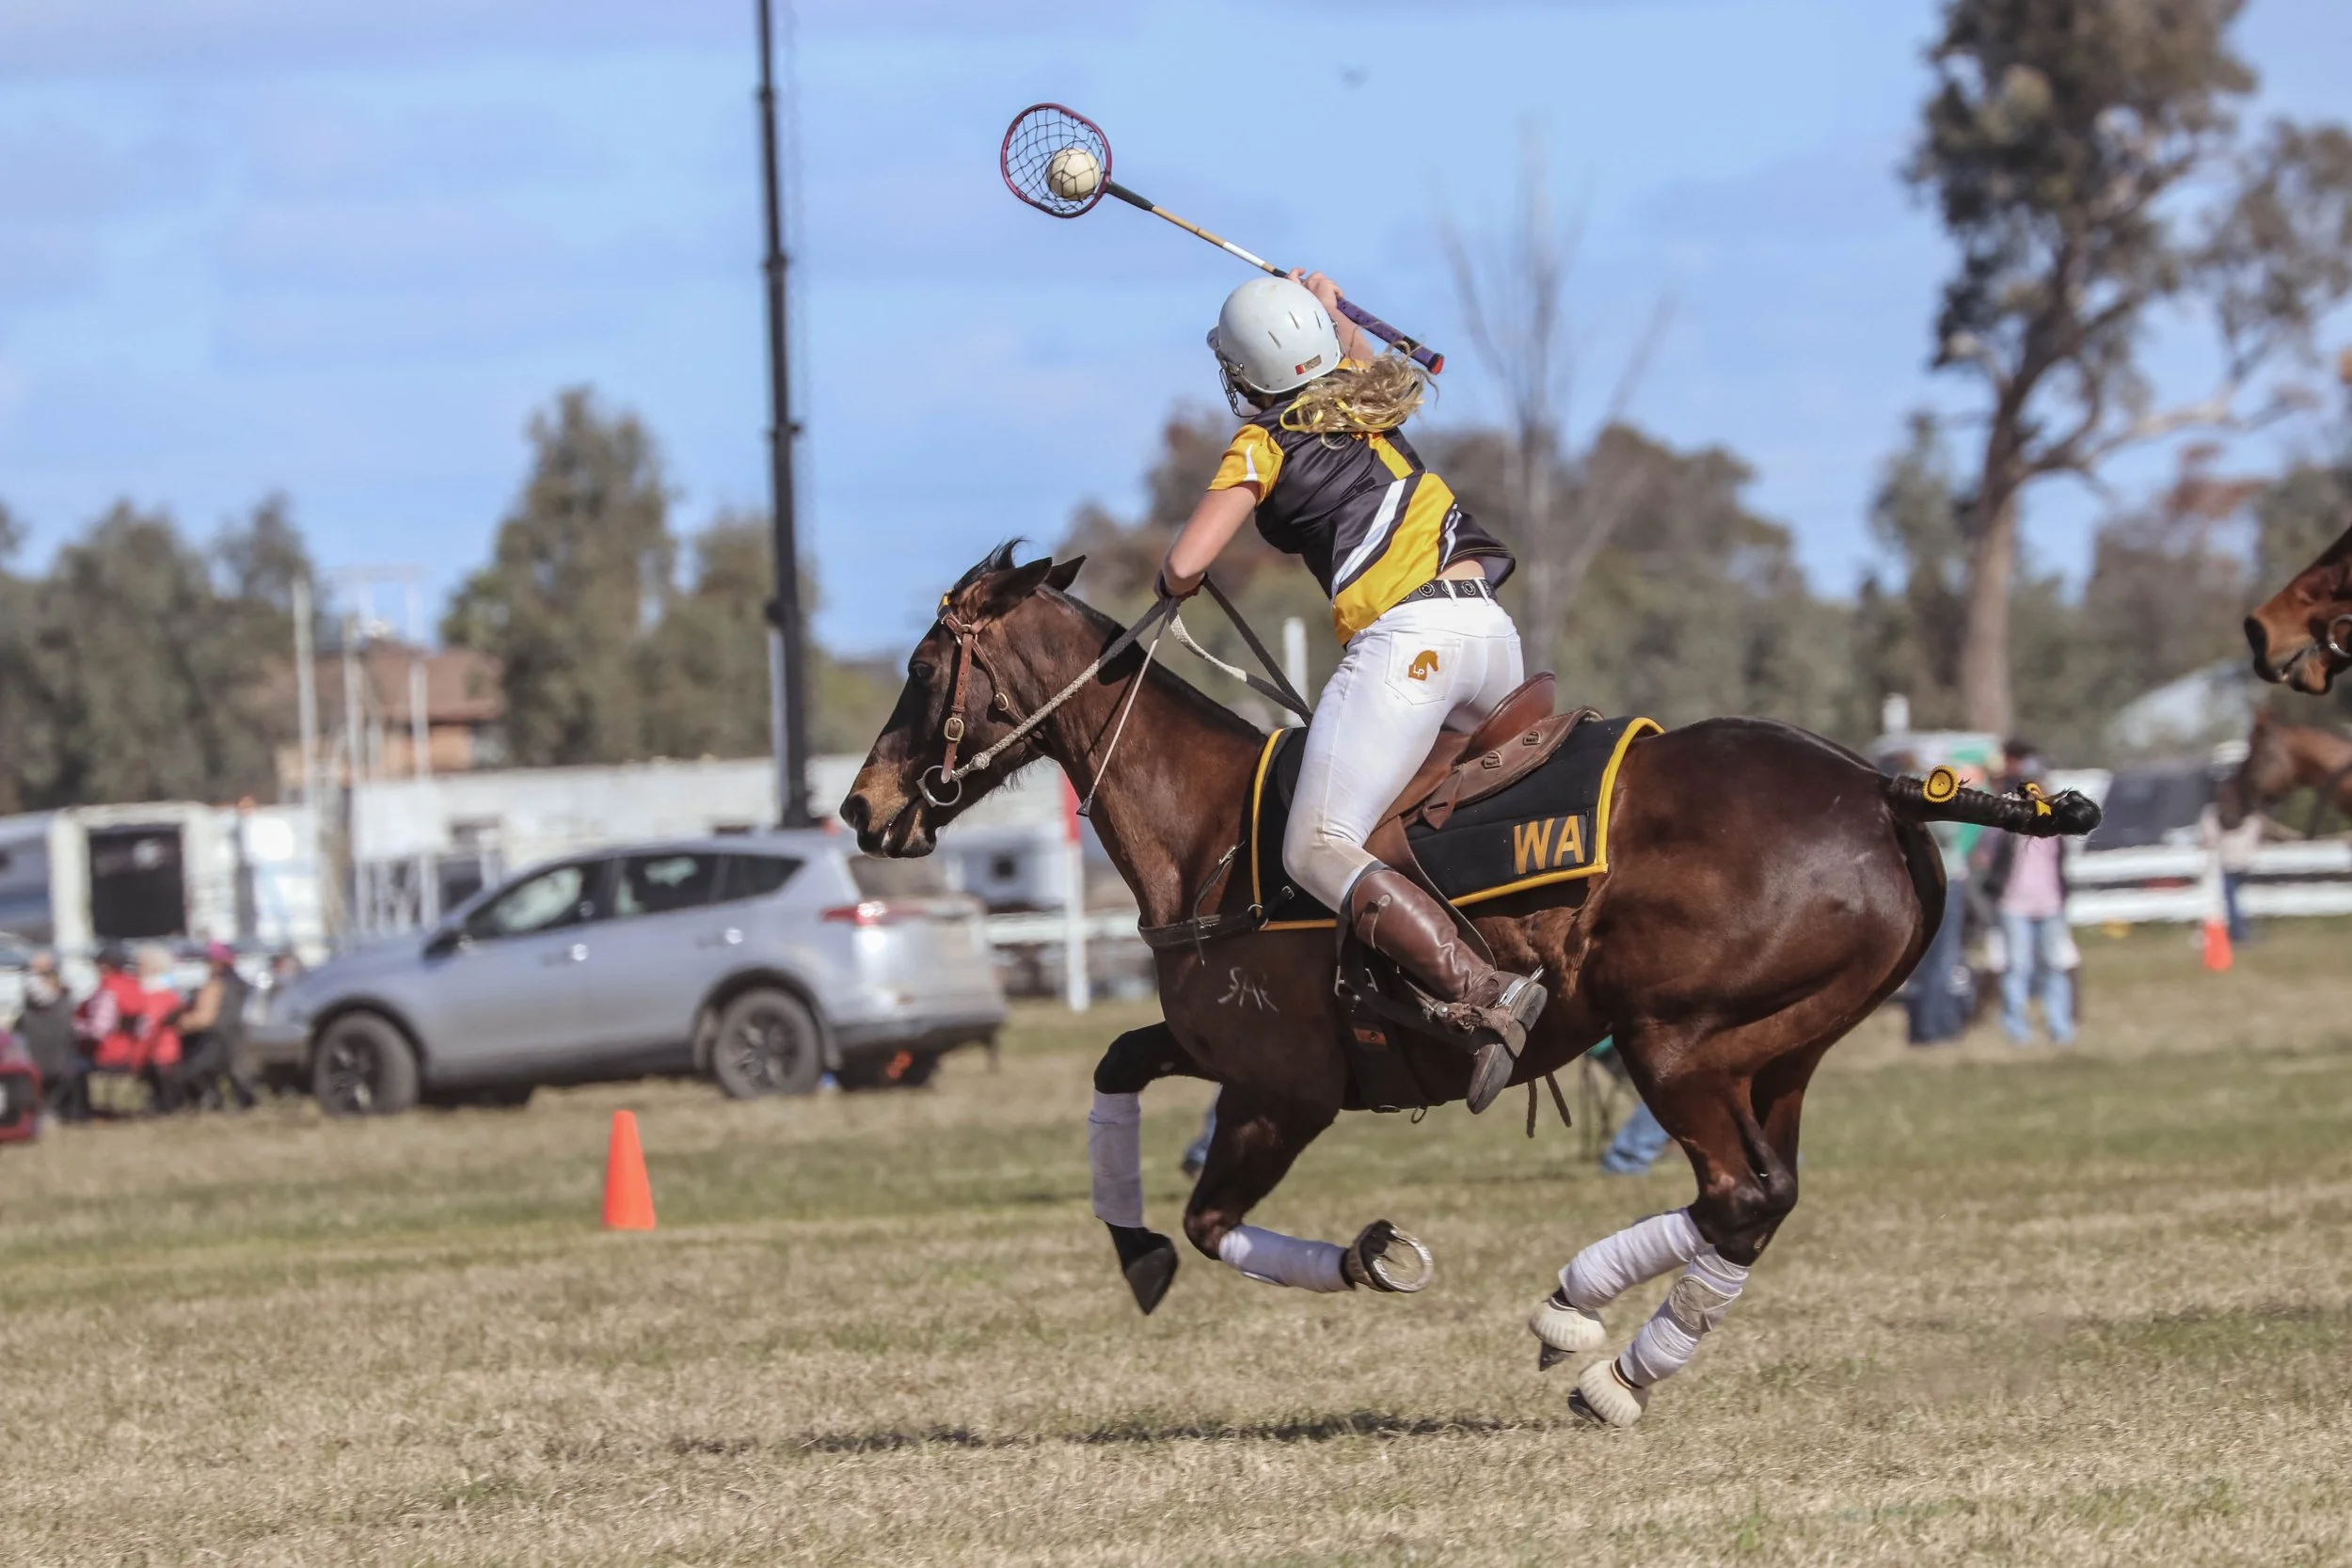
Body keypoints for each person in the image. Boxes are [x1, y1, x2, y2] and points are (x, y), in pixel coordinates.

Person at [1157, 270, 1541, 1114]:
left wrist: (1168, 579)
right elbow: (1354, 362)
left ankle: (1480, 988)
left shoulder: (1260, 442)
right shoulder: (1369, 406)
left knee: (1316, 849)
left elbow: (1187, 564)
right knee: (1435, 822)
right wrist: (1330, 311)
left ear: (1245, 373)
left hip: (1411, 645)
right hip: (1490, 634)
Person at [1978, 746, 2075, 1046]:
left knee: (2053, 966)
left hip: (2050, 902)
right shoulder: (2010, 818)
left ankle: (2060, 1027)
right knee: (2018, 967)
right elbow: (1986, 854)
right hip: (2014, 903)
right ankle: (2017, 1030)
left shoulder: (2058, 820)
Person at [173, 943, 257, 1111]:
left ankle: (210, 1100)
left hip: (217, 1040)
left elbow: (205, 1018)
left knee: (189, 1068)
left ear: (218, 963)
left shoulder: (215, 985)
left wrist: (178, 1024)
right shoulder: (243, 985)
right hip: (240, 1039)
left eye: (208, 961)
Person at [14, 950, 85, 1123]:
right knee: (39, 1077)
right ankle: (40, 1111)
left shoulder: (60, 989)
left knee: (53, 1076)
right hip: (39, 1041)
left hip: (54, 1042)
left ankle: (49, 1110)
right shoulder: (35, 986)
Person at [2200, 785, 2265, 943]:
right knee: (2243, 897)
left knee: (2231, 899)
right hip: (2247, 860)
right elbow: (2257, 833)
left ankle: (2239, 933)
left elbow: (2209, 838)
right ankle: (2245, 929)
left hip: (2227, 860)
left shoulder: (2216, 813)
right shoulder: (2250, 814)